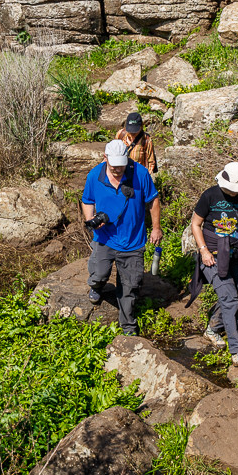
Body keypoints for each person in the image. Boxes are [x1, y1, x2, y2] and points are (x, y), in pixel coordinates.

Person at [81, 139, 163, 335]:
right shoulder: (95, 175)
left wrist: (156, 228)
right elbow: (87, 200)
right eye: (113, 166)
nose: (118, 170)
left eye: (121, 166)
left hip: (133, 241)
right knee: (100, 273)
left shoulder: (140, 173)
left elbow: (153, 201)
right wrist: (90, 218)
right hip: (104, 238)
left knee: (130, 286)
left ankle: (128, 327)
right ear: (105, 158)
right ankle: (96, 285)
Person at [186, 162, 238, 368]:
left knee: (233, 297)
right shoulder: (210, 195)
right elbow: (196, 224)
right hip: (214, 255)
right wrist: (204, 251)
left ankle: (212, 328)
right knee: (229, 299)